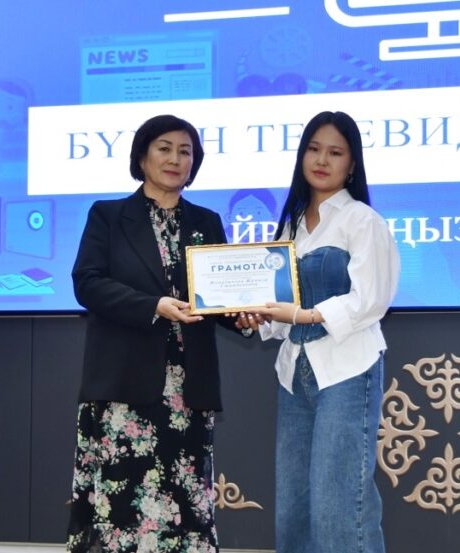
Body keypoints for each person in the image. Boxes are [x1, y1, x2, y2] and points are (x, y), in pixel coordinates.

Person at [66, 114, 250, 552]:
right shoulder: (108, 216)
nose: (175, 159)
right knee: (123, 507)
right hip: (123, 388)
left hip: (187, 390)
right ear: (142, 157)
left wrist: (242, 316)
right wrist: (152, 306)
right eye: (164, 148)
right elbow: (87, 283)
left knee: (186, 504)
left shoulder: (206, 221)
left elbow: (216, 297)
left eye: (185, 152)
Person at [247, 111, 400, 553]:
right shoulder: (291, 225)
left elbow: (371, 299)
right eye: (314, 149)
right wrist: (257, 316)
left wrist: (303, 315)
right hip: (294, 374)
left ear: (351, 165)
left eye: (335, 152)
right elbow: (282, 306)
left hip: (347, 370)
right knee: (293, 508)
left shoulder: (362, 220)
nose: (321, 160)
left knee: (340, 506)